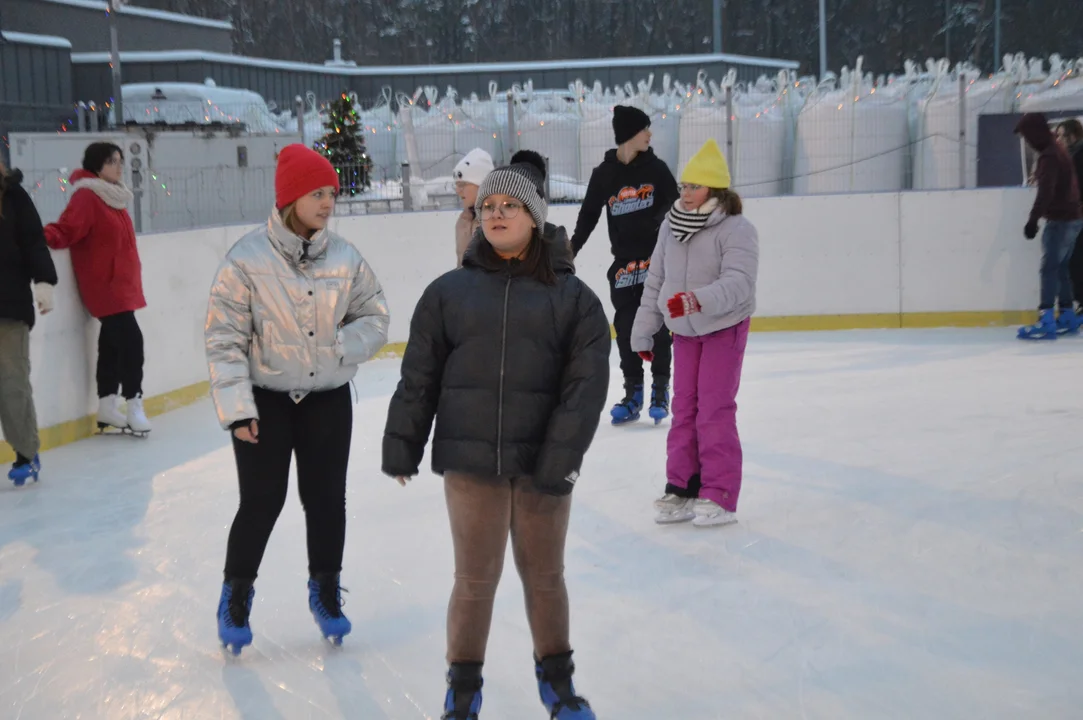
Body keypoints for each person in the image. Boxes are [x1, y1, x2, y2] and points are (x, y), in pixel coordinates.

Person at [382, 152, 610, 719]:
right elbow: (420, 376)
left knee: (546, 579)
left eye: (510, 205)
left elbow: (583, 389)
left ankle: (557, 685)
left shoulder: (573, 300)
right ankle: (463, 690)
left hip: (542, 466)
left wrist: (560, 460)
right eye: (488, 205)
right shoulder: (448, 294)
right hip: (470, 464)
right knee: (474, 580)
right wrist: (403, 442)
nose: (497, 213)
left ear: (534, 216)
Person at [204, 144, 390, 655]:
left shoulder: (347, 258)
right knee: (263, 500)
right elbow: (223, 340)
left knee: (328, 500)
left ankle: (326, 593)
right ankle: (235, 597)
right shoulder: (245, 260)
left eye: (332, 191)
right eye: (317, 192)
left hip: (328, 399)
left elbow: (375, 315)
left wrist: (341, 348)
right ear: (290, 198)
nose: (329, 201)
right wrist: (237, 408)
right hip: (266, 401)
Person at [631, 138, 759, 528]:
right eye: (683, 186)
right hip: (684, 333)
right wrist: (643, 332)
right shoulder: (671, 226)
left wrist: (695, 301)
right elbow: (656, 281)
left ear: (716, 189)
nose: (685, 193)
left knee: (714, 409)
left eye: (694, 186)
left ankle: (719, 494)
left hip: (724, 328)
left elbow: (740, 283)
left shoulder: (738, 230)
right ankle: (682, 488)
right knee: (684, 409)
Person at [570, 104, 679, 426]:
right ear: (630, 134)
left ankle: (661, 389)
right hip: (623, 266)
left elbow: (675, 208)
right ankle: (633, 393)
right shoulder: (604, 175)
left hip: (655, 261)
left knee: (656, 326)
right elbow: (588, 215)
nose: (650, 134)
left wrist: (656, 227)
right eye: (645, 128)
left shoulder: (657, 170)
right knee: (627, 328)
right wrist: (571, 250)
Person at [44, 142, 151, 434]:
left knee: (112, 343)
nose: (119, 166)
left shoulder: (114, 197)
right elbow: (67, 229)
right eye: (112, 161)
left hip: (122, 282)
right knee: (132, 341)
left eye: (120, 161)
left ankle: (106, 405)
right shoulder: (88, 197)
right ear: (96, 165)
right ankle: (134, 401)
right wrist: (35, 236)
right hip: (104, 285)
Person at [0, 159, 57, 486]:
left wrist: (44, 282)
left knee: (12, 385)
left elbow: (33, 239)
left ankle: (25, 453)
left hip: (8, 305)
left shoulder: (13, 196)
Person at [1014, 113, 1083, 340]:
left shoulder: (1049, 156)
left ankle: (1046, 317)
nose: (1027, 140)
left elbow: (1046, 193)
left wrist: (1033, 220)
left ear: (1034, 133)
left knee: (1049, 269)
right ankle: (1066, 314)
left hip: (1061, 220)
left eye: (1026, 135)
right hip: (1073, 218)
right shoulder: (1058, 150)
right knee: (1061, 267)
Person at [1055, 119, 1083, 311]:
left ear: (1073, 136)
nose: (1059, 139)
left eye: (1062, 135)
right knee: (1073, 260)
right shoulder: (1069, 156)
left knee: (1075, 260)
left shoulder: (1078, 156)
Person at [453, 147, 494, 267]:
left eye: (462, 185)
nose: (458, 191)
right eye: (456, 185)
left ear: (481, 185)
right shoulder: (463, 221)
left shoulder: (497, 219)